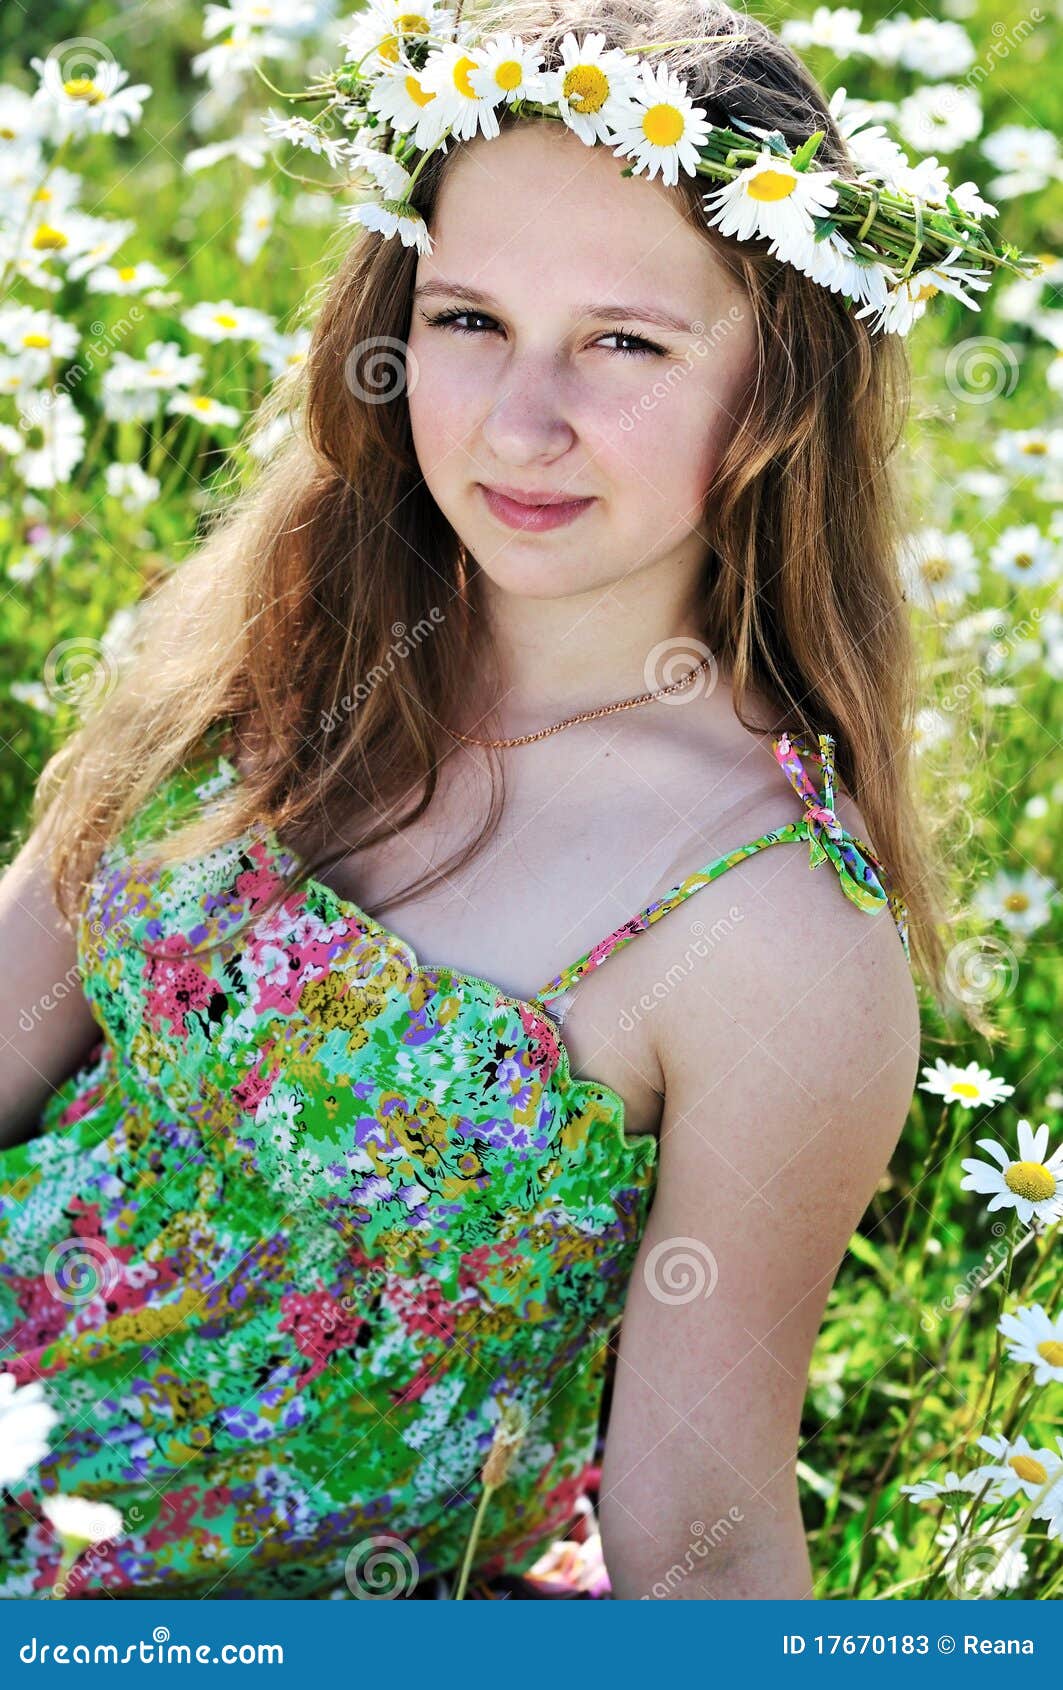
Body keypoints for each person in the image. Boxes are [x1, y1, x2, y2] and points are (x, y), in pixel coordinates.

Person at [0, 0, 1003, 1599]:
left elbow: (706, 1538)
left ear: (780, 386)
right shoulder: (275, 637)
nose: (519, 422)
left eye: (624, 341)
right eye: (468, 321)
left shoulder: (769, 928)